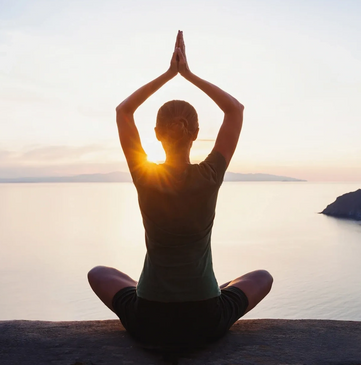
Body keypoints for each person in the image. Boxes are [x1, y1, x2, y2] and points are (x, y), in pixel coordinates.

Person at [88, 30, 273, 348]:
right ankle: (213, 289)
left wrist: (168, 74)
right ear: (196, 133)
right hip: (205, 319)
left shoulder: (145, 176)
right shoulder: (210, 175)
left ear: (157, 134)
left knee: (98, 273)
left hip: (150, 320)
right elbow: (235, 111)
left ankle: (148, 290)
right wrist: (188, 74)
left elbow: (123, 112)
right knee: (262, 277)